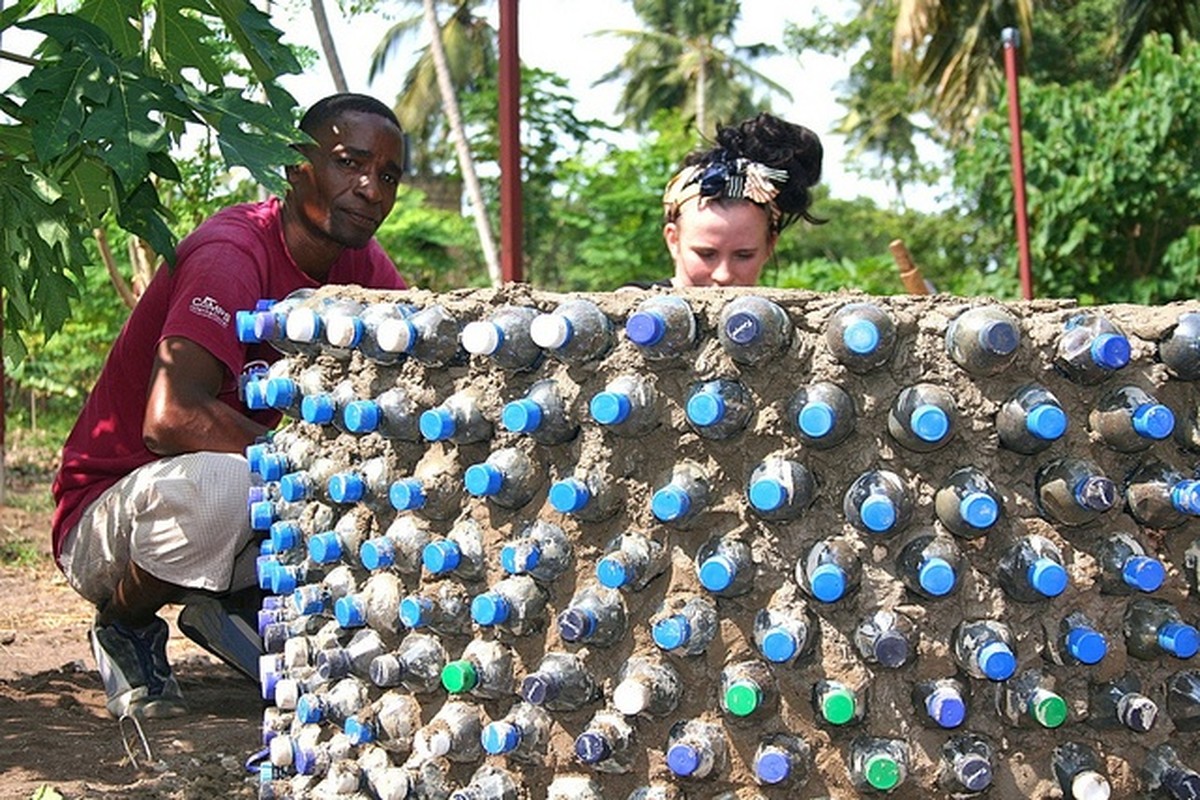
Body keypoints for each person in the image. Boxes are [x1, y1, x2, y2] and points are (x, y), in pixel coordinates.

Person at [49, 93, 410, 719]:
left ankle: (225, 603)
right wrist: (312, 464)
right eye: (350, 163)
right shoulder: (230, 252)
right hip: (107, 517)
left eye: (387, 175)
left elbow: (414, 357)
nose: (369, 189)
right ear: (295, 165)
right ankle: (125, 622)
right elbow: (170, 418)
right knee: (236, 481)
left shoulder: (358, 262)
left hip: (231, 505)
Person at [654, 112, 824, 288]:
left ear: (770, 244)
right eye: (706, 254)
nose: (723, 275)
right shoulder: (635, 310)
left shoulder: (787, 314)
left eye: (744, 255)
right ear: (673, 240)